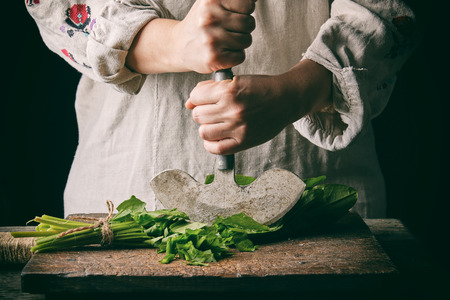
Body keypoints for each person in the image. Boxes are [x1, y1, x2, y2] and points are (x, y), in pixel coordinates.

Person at [25, 0, 418, 218]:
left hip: (321, 195)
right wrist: (171, 41)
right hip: (126, 190)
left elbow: (387, 9)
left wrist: (298, 92)